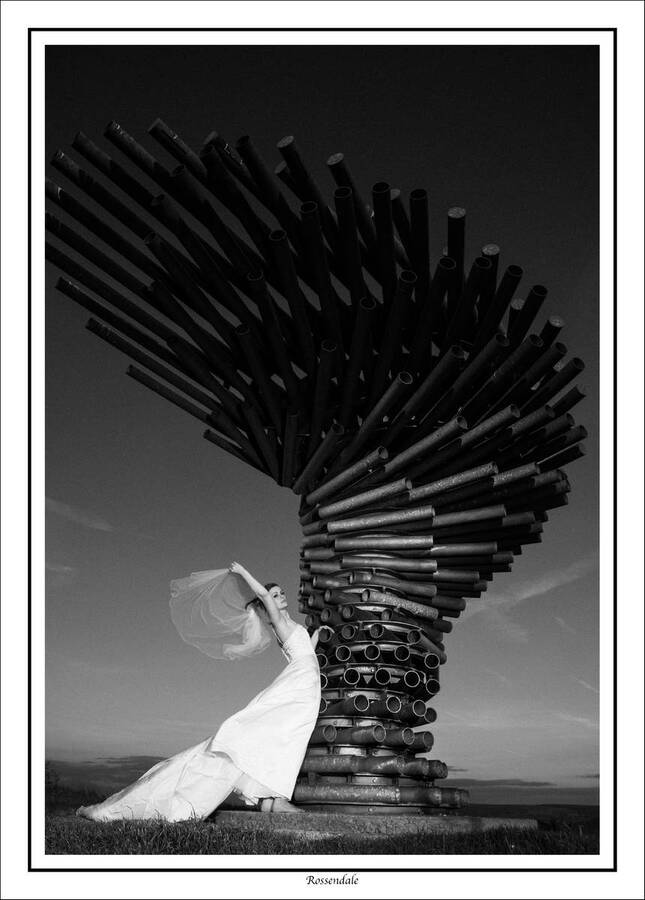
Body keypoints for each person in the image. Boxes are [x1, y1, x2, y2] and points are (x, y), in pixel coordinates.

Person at [76, 562, 321, 821]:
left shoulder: (293, 625)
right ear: (266, 604)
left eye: (282, 593)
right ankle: (273, 799)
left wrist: (318, 636)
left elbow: (305, 651)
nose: (280, 597)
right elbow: (262, 597)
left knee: (287, 735)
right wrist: (243, 573)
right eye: (275, 595)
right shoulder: (278, 621)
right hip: (298, 684)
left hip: (306, 681)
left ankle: (272, 798)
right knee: (281, 733)